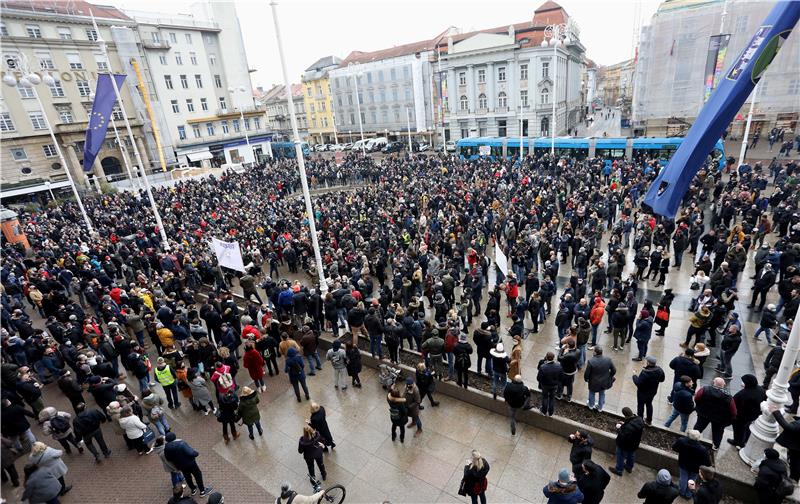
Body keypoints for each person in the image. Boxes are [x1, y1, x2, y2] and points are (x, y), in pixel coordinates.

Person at [164, 432, 214, 497]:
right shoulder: (181, 444)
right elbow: (191, 453)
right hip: (190, 463)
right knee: (197, 475)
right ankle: (202, 490)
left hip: (180, 466)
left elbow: (168, 458)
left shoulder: (166, 448)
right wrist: (196, 453)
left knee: (187, 477)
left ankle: (193, 489)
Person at [693, 377, 736, 450]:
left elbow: (697, 398)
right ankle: (716, 445)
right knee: (718, 432)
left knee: (699, 426)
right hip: (719, 419)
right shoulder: (729, 397)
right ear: (724, 385)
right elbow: (733, 411)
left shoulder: (705, 389)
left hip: (704, 414)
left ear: (713, 382)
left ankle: (693, 438)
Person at [727, 374, 766, 448]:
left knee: (738, 429)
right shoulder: (761, 389)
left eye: (743, 382)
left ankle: (738, 442)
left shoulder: (742, 393)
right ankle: (746, 439)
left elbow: (733, 403)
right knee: (748, 427)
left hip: (741, 416)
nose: (742, 383)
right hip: (754, 415)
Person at [671, 429, 711, 499]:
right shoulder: (702, 449)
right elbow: (708, 463)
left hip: (683, 464)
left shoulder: (681, 441)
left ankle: (681, 492)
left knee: (683, 478)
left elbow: (674, 448)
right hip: (695, 468)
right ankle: (689, 494)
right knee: (692, 480)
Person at [609, 407, 644, 476]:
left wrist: (618, 428)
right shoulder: (639, 419)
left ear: (625, 415)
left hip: (624, 445)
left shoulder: (629, 427)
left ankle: (618, 470)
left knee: (620, 456)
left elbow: (623, 435)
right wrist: (625, 423)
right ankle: (629, 467)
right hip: (634, 444)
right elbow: (632, 426)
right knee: (631, 455)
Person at [632, 356, 665, 425]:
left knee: (640, 405)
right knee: (649, 404)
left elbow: (638, 383)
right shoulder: (659, 370)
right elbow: (662, 379)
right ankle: (649, 420)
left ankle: (640, 420)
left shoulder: (645, 373)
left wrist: (634, 375)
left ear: (648, 363)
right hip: (652, 392)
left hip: (642, 392)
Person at [771, 407, 800, 482]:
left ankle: (793, 478)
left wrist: (775, 412)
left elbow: (788, 427)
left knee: (795, 461)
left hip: (796, 446)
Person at [583, 347, 616, 412]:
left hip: (593, 382)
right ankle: (600, 407)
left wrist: (586, 379)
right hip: (604, 382)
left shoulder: (591, 361)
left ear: (595, 352)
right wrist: (610, 376)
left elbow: (587, 373)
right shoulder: (608, 360)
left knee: (592, 393)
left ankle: (591, 405)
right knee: (602, 393)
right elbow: (614, 370)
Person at [537, 351, 562, 417]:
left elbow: (538, 378)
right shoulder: (558, 366)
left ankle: (544, 411)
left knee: (545, 398)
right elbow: (561, 377)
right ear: (553, 358)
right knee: (552, 398)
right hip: (554, 386)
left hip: (545, 385)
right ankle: (551, 412)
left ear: (546, 357)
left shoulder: (543, 367)